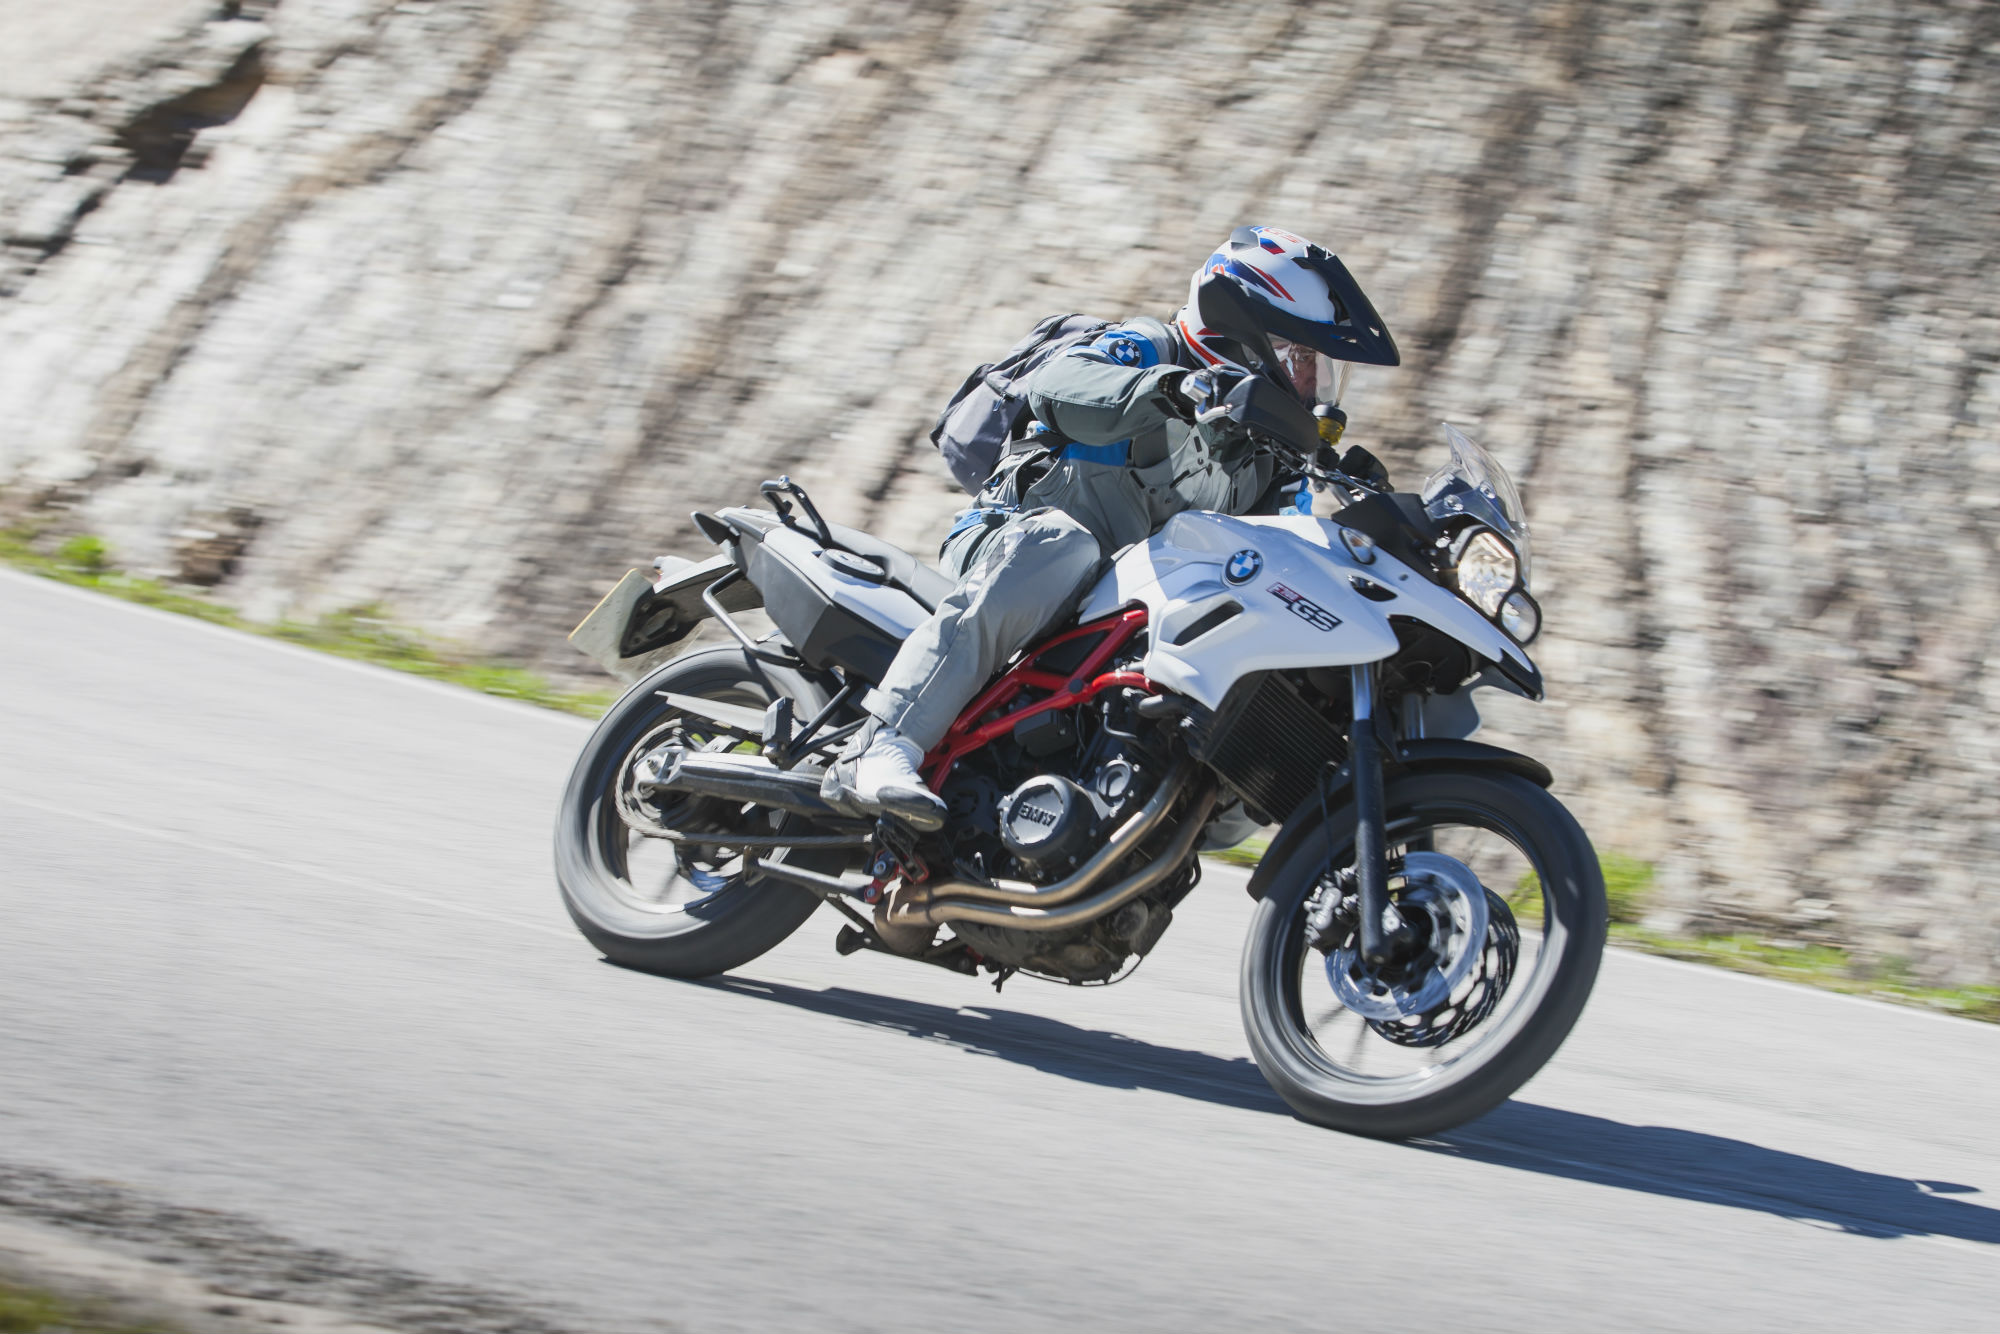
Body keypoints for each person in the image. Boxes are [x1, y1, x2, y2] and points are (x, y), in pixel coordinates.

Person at [842, 225, 1398, 823]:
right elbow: (1058, 387)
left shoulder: (1263, 457)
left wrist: (1360, 513)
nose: (1315, 387)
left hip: (1120, 611)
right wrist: (1176, 389)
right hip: (1012, 543)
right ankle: (881, 744)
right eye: (1305, 359)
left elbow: (1284, 551)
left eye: (1323, 369)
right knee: (1063, 545)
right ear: (1247, 334)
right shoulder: (1153, 348)